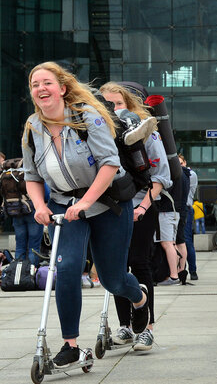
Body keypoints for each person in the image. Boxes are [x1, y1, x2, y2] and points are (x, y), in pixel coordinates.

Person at [21, 62, 149, 367]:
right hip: (65, 209)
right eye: (35, 84)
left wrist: (85, 203)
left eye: (47, 83)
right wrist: (40, 206)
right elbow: (31, 175)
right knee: (66, 272)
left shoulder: (87, 117)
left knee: (112, 279)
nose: (41, 88)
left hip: (108, 205)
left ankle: (139, 298)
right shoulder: (32, 128)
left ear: (62, 88)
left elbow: (108, 163)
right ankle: (71, 345)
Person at [100, 81, 171, 351]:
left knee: (140, 264)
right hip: (111, 208)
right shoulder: (97, 132)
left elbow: (161, 175)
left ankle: (147, 328)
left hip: (142, 204)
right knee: (116, 268)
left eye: (118, 104)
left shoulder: (146, 132)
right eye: (107, 105)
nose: (113, 110)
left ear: (129, 105)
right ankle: (126, 327)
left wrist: (142, 208)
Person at [1, 155, 42, 265]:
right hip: (31, 212)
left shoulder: (6, 176)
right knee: (34, 246)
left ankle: (18, 275)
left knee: (20, 245)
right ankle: (31, 275)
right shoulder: (28, 175)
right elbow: (44, 193)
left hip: (15, 212)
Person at [180, 154, 199, 280]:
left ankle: (192, 270)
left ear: (185, 162)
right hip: (179, 209)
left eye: (180, 163)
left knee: (186, 240)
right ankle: (182, 269)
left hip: (186, 208)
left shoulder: (190, 174)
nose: (179, 166)